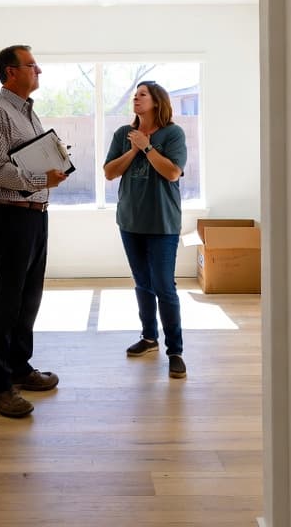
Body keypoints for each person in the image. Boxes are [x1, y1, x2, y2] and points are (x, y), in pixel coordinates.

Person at [0, 45, 70, 417]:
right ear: (10, 73)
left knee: (29, 299)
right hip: (11, 217)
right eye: (32, 65)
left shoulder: (28, 114)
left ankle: (18, 368)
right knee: (7, 303)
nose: (39, 70)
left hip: (35, 215)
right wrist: (39, 177)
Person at [103, 80, 189, 379]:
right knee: (142, 283)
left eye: (142, 95)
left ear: (156, 101)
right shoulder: (122, 135)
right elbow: (110, 172)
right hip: (130, 222)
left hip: (162, 224)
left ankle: (175, 351)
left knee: (165, 287)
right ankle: (150, 338)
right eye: (134, 95)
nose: (136, 99)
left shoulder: (173, 133)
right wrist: (134, 149)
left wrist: (148, 146)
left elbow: (173, 172)